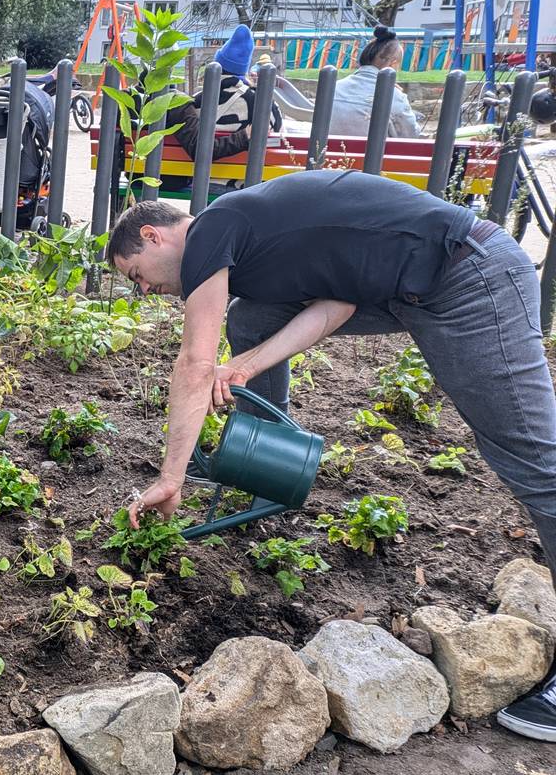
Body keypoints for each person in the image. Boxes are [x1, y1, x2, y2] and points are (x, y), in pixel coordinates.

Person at [106, 168, 556, 742]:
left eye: (138, 276)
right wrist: (244, 366)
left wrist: (170, 477)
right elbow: (336, 306)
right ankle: (264, 463)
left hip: (469, 278)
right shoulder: (257, 247)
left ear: (153, 236)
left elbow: (194, 362)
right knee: (255, 315)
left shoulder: (214, 227)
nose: (145, 291)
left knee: (536, 465)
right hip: (403, 291)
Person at [160, 25, 281, 193]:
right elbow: (276, 133)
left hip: (200, 180)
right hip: (245, 183)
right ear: (244, 69)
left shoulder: (195, 102)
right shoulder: (265, 104)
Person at [330, 26, 420, 138]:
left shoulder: (334, 88)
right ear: (393, 63)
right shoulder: (394, 96)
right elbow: (410, 135)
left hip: (328, 149)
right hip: (371, 149)